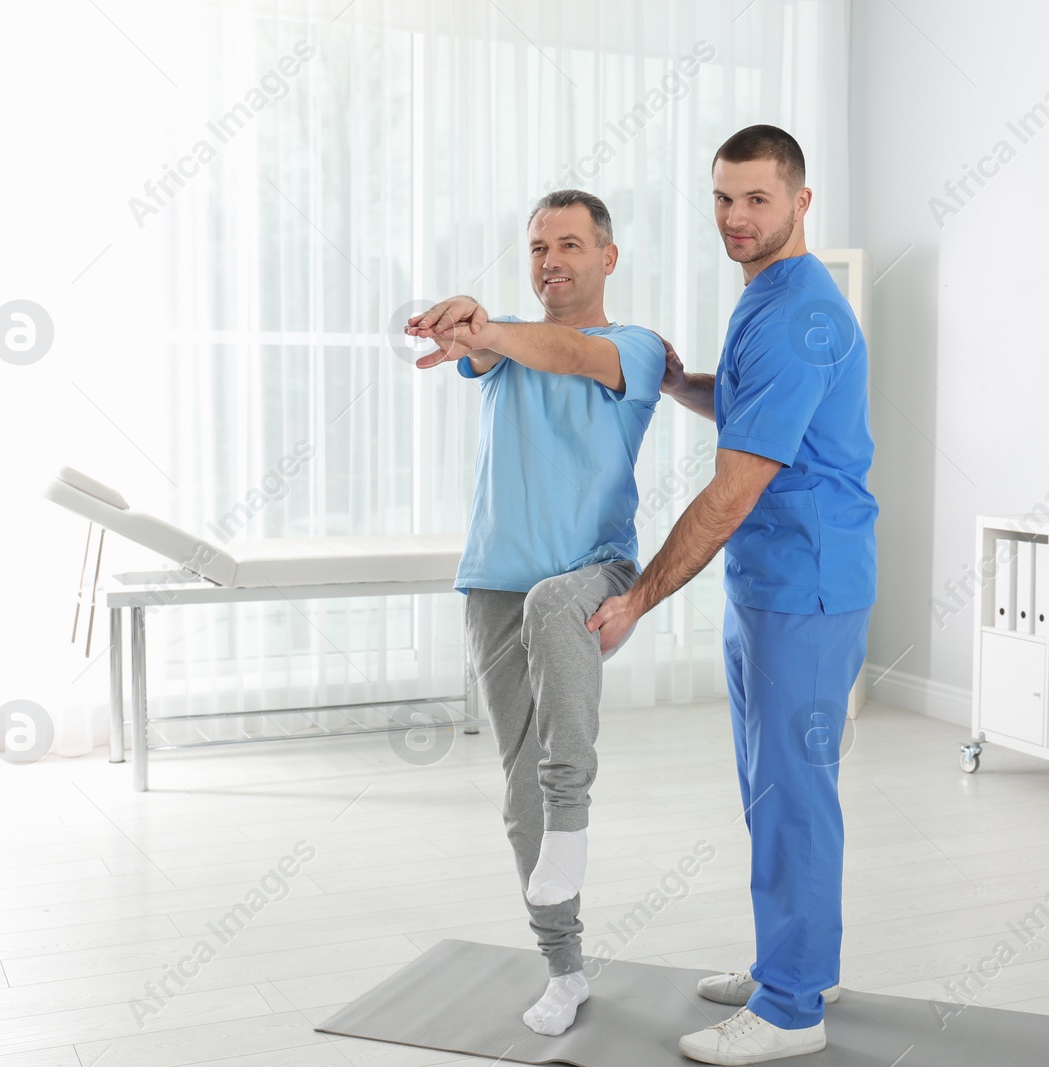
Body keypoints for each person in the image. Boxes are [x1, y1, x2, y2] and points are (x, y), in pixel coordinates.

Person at [586, 125, 877, 1064]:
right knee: (773, 789)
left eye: (757, 198)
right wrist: (679, 384)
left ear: (800, 202)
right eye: (722, 198)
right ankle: (801, 963)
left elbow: (734, 488)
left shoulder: (799, 314)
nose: (736, 217)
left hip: (807, 586)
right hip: (771, 581)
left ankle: (793, 1011)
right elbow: (754, 405)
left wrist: (636, 599)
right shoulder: (767, 295)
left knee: (793, 792)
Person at [406, 189, 666, 1038]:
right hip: (493, 583)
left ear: (608, 257)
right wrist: (471, 330)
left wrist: (486, 327)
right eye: (536, 248)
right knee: (519, 796)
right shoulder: (503, 344)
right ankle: (565, 967)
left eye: (568, 245)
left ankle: (575, 817)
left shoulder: (635, 350)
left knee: (557, 602)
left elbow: (569, 355)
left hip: (595, 572)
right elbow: (495, 351)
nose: (550, 260)